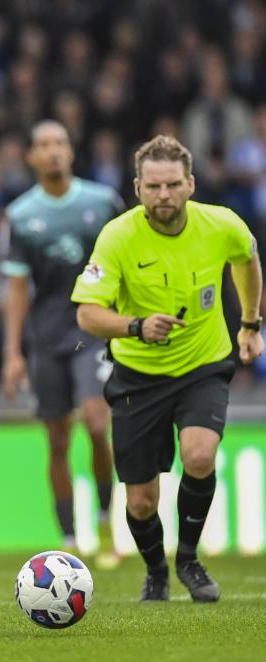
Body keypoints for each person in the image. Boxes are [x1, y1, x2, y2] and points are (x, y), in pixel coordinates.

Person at [71, 135, 264, 602]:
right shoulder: (117, 237)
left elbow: (248, 258)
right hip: (137, 374)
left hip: (203, 364)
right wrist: (136, 326)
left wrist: (251, 323)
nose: (164, 195)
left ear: (190, 184)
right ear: (137, 188)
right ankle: (156, 571)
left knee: (199, 455)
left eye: (173, 185)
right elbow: (87, 314)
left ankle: (190, 561)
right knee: (140, 501)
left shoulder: (222, 225)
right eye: (154, 186)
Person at [0, 121, 124, 564]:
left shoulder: (103, 201)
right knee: (56, 439)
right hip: (48, 336)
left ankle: (108, 518)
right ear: (30, 157)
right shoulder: (19, 215)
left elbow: (128, 264)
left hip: (92, 330)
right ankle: (70, 540)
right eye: (44, 146)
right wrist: (13, 354)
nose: (53, 152)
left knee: (95, 422)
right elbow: (17, 289)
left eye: (60, 144)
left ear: (71, 152)